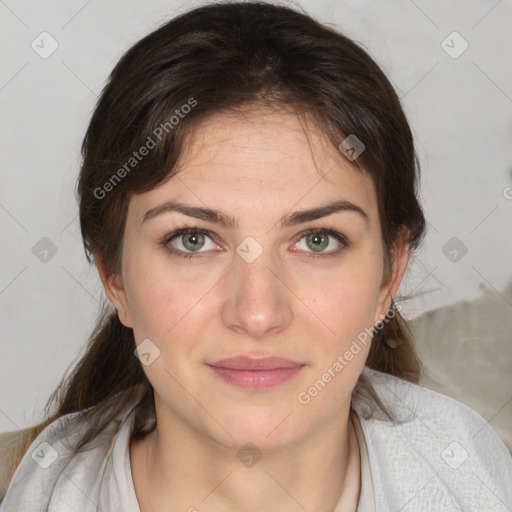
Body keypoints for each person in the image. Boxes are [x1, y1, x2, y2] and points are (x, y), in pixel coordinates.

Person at [1, 2, 511, 511]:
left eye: (318, 240)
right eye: (193, 240)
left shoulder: (479, 478)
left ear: (388, 275)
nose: (258, 313)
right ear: (114, 275)